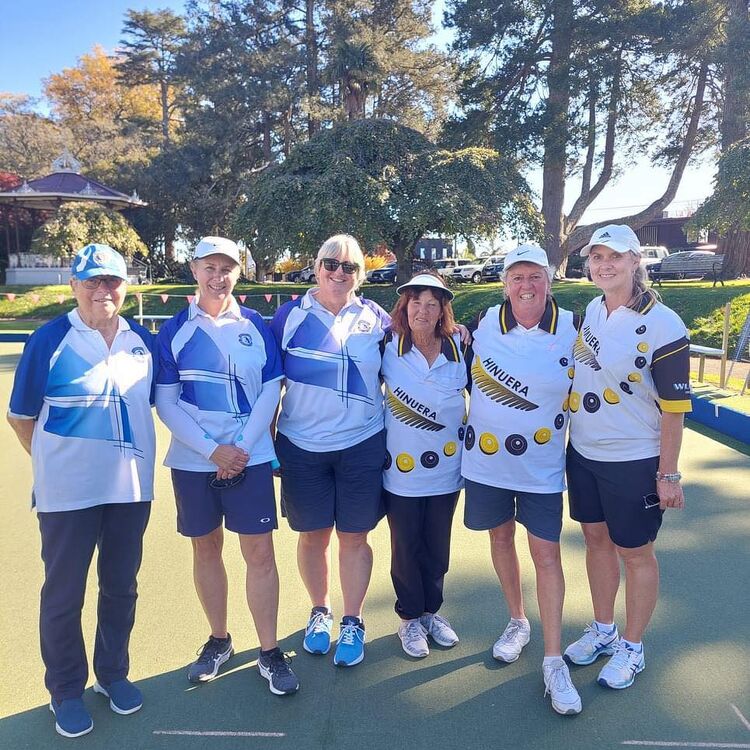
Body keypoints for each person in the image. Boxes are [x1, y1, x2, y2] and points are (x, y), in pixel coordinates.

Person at [7, 244, 155, 738]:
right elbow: (20, 417)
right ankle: (66, 689)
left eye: (111, 281)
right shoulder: (49, 339)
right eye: (91, 281)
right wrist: (54, 466)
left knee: (120, 587)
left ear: (125, 285)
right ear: (73, 286)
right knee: (64, 594)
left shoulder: (142, 342)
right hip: (66, 497)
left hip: (130, 492)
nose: (102, 290)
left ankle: (112, 674)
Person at [155, 236, 299, 696]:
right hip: (194, 461)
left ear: (239, 273)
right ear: (194, 270)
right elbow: (166, 402)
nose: (218, 277)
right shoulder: (174, 328)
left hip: (250, 457)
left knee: (259, 555)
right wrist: (211, 451)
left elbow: (270, 391)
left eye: (227, 269)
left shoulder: (256, 324)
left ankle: (269, 651)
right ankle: (218, 640)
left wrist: (238, 447)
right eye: (209, 268)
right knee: (206, 550)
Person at [564, 224, 690, 689]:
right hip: (584, 454)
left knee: (635, 553)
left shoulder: (665, 323)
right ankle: (603, 630)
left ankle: (632, 648)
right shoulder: (592, 310)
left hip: (635, 460)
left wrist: (668, 474)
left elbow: (675, 410)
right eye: (596, 258)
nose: (604, 265)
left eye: (614, 257)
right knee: (596, 543)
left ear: (636, 261)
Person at [461, 244, 583, 715]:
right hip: (486, 466)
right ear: (504, 283)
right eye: (517, 277)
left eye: (535, 276)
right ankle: (517, 621)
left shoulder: (574, 326)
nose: (526, 286)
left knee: (546, 555)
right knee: (500, 541)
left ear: (549, 281)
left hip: (543, 469)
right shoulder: (481, 322)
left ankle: (554, 660)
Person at [270, 234, 390, 667]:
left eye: (349, 267)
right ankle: (319, 611)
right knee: (313, 535)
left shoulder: (377, 319)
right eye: (330, 264)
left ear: (361, 274)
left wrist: (459, 330)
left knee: (354, 537)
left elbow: (414, 350)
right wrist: (266, 443)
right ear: (315, 266)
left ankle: (353, 621)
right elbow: (269, 386)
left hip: (361, 443)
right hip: (301, 447)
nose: (338, 273)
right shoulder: (287, 316)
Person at [381, 272, 467, 658]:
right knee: (405, 547)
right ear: (405, 306)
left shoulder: (461, 346)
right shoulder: (385, 344)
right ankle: (409, 618)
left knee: (437, 547)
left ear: (442, 310)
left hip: (448, 473)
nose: (423, 309)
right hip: (399, 475)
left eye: (432, 303)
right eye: (416, 301)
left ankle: (432, 612)